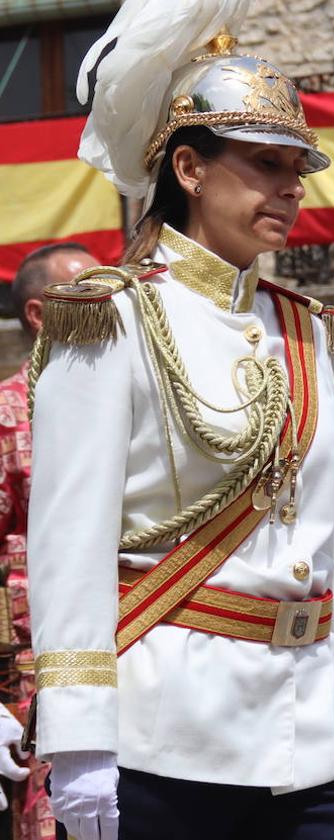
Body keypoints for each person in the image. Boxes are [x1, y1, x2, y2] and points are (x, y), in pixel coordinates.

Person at [25, 4, 334, 839]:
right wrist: (79, 746)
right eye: (266, 164)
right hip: (175, 739)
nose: (291, 187)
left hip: (328, 742)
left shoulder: (303, 329)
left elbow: (333, 547)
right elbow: (69, 546)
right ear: (188, 168)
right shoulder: (108, 318)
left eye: (299, 167)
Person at [2, 242, 100, 840]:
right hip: (36, 689)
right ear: (39, 314)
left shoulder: (133, 404)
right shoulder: (9, 415)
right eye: (88, 291)